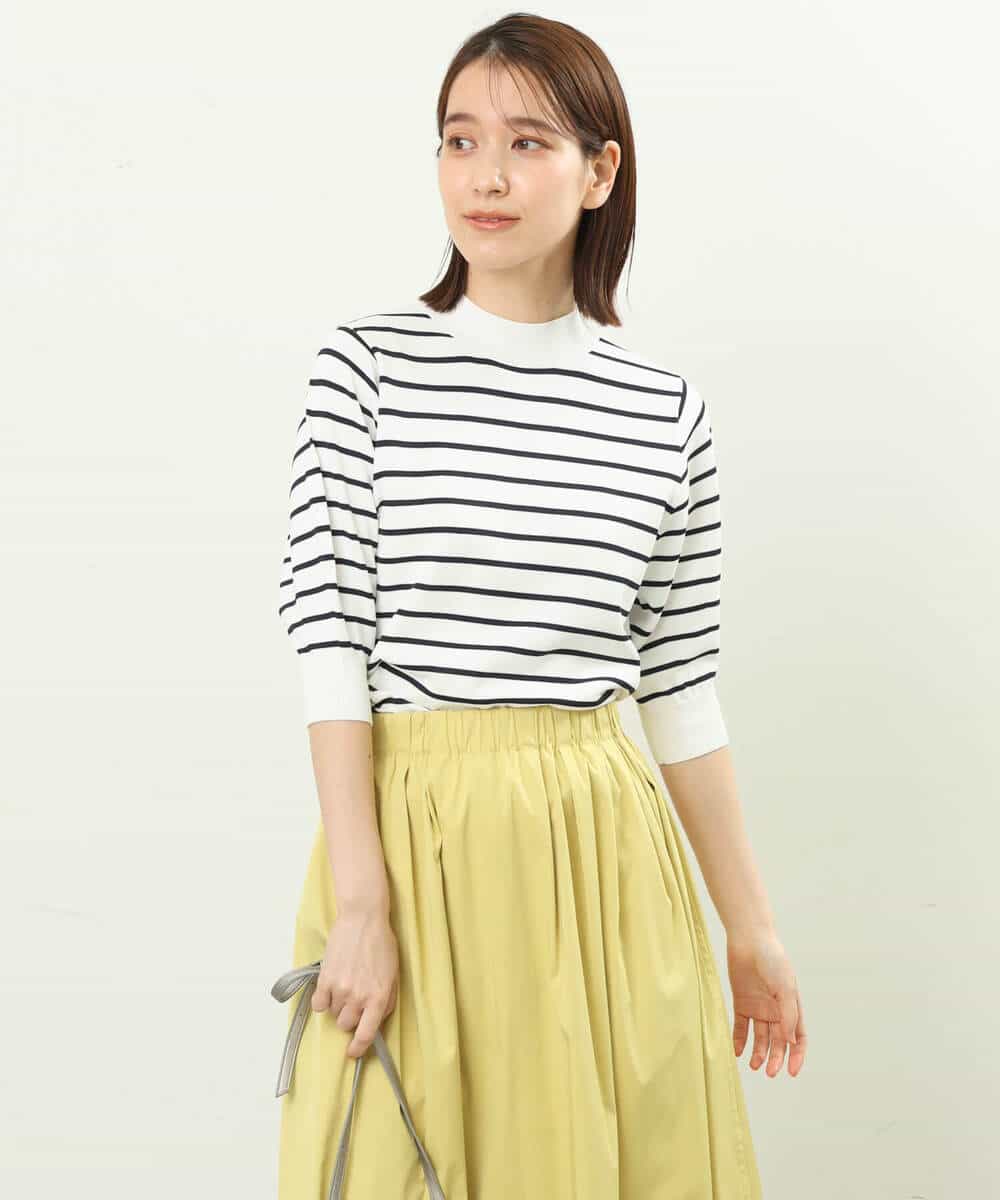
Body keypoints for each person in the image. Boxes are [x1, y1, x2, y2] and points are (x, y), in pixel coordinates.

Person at [274, 13, 806, 1199]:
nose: (486, 176)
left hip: (605, 855)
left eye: (526, 143)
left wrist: (751, 928)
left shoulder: (664, 412)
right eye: (459, 140)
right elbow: (331, 644)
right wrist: (359, 903)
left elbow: (678, 684)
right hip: (418, 842)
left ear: (600, 170)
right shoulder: (365, 370)